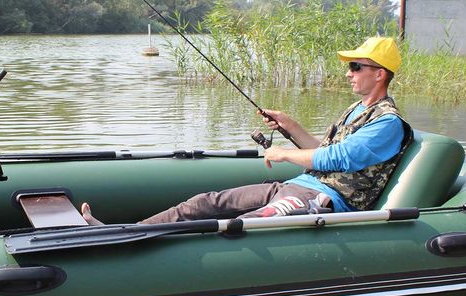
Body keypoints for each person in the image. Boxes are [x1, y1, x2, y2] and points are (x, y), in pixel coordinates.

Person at [81, 36, 412, 225]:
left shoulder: (388, 123)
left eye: (356, 67)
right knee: (206, 203)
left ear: (380, 74)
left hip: (326, 201)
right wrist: (290, 126)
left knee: (245, 223)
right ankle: (125, 232)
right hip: (297, 185)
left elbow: (339, 158)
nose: (349, 73)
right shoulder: (356, 110)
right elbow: (320, 151)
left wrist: (282, 153)